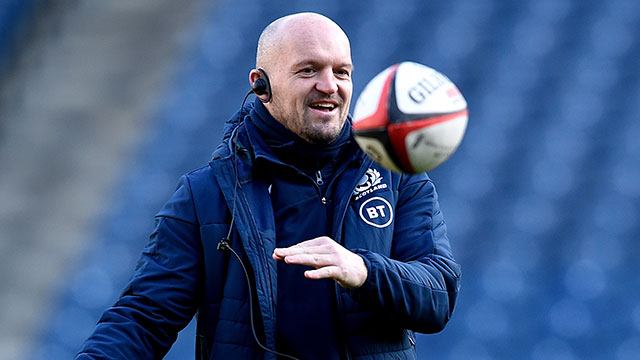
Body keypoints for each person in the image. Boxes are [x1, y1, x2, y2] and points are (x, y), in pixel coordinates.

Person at [76, 12, 461, 360]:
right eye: (308, 70)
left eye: (341, 72)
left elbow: (438, 294)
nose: (329, 86)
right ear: (261, 84)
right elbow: (145, 316)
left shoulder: (395, 171)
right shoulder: (206, 195)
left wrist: (362, 270)